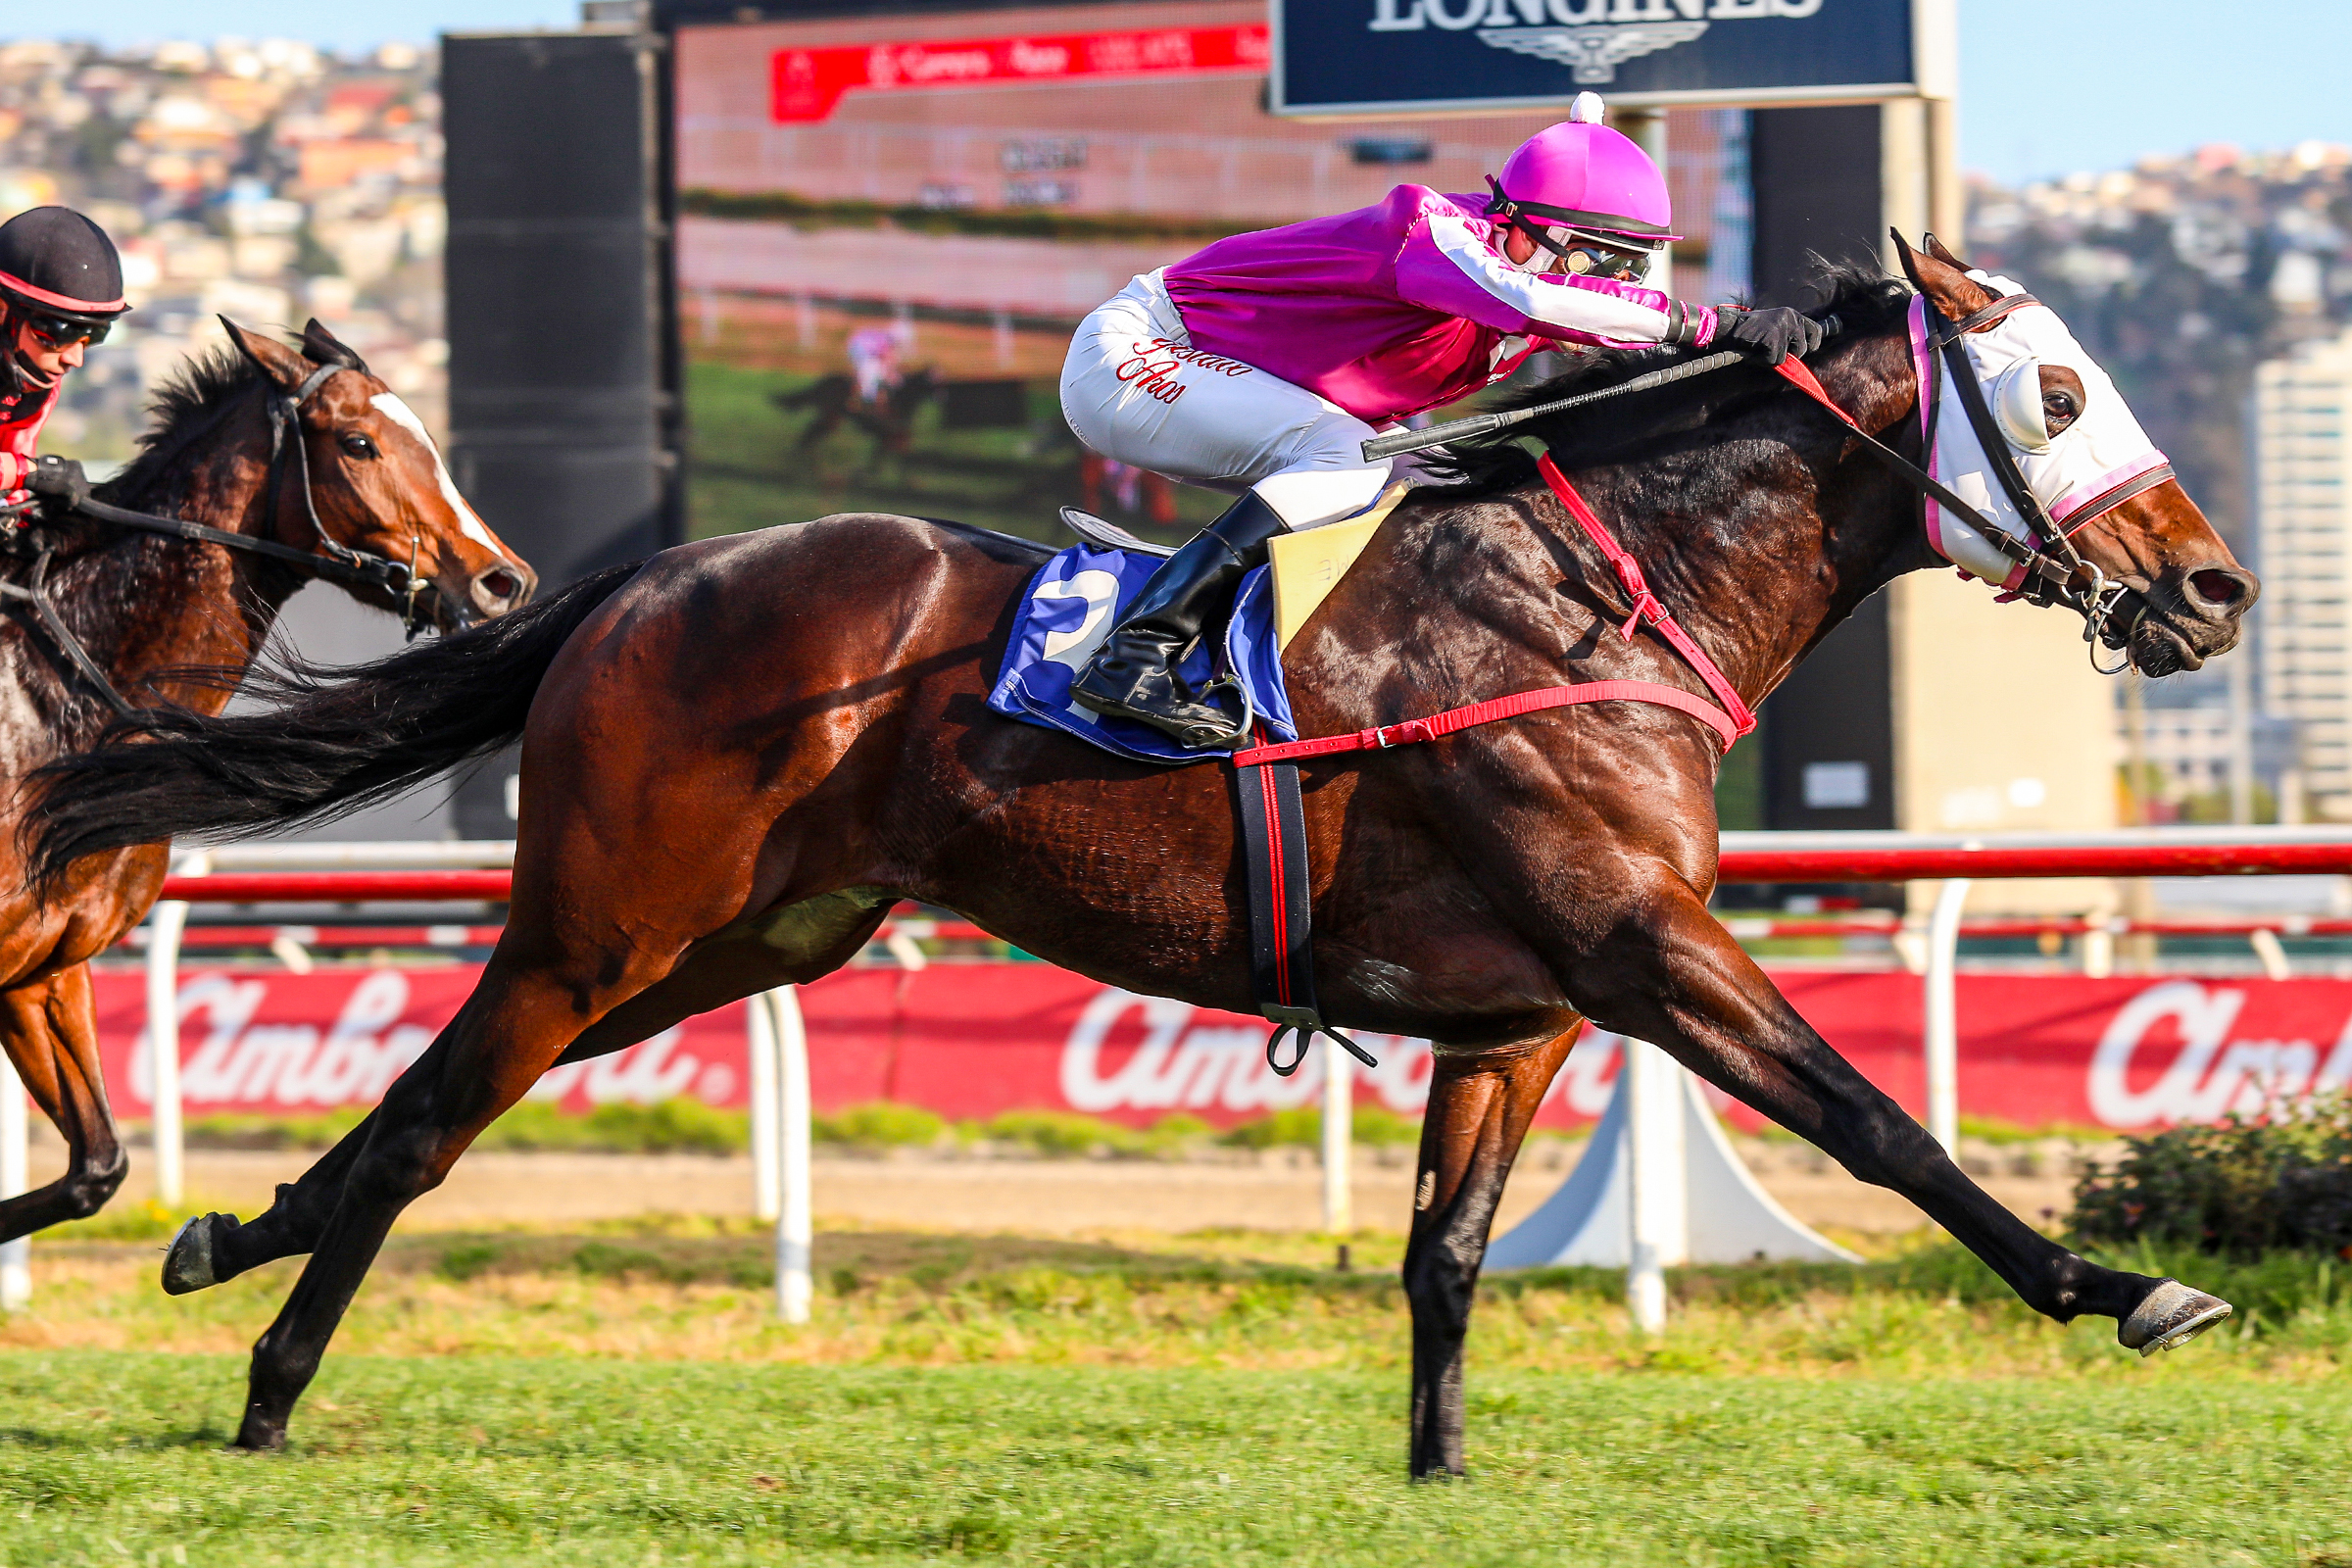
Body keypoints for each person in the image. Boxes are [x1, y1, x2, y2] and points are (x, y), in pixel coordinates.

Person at [1057, 93, 1823, 749]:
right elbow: (1535, 299)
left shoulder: (1523, 281)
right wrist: (1712, 323)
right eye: (1599, 260)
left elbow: (1595, 321)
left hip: (1213, 372)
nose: (1614, 284)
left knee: (1407, 480)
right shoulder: (1432, 230)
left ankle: (1248, 659)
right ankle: (1137, 651)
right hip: (1136, 349)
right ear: (1518, 227)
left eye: (1630, 266)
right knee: (1351, 453)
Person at [0, 206, 131, 520]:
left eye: (93, 336)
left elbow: (13, 497)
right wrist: (32, 472)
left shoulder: (33, 380)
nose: (75, 358)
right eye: (58, 333)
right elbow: (18, 470)